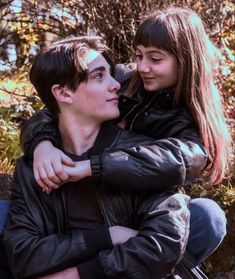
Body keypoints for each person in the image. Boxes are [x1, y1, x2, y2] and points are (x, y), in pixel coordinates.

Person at [18, 5, 230, 267]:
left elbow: (176, 160)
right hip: (83, 205)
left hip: (143, 209)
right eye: (139, 55)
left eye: (155, 59)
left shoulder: (193, 123)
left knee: (206, 217)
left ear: (186, 60)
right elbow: (54, 110)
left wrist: (91, 167)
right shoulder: (123, 80)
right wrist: (43, 145)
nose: (142, 67)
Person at [3, 36, 193, 279]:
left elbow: (163, 244)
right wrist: (107, 236)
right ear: (63, 93)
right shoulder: (32, 169)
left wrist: (79, 274)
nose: (116, 85)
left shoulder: (142, 156)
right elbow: (23, 256)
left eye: (110, 74)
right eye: (99, 76)